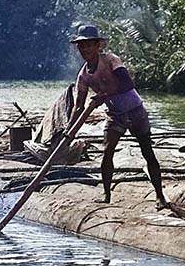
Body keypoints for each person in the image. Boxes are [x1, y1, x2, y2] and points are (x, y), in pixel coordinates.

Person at [67, 25, 168, 208]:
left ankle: (160, 196)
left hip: (135, 110)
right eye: (81, 47)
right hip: (115, 115)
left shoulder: (111, 60)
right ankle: (106, 194)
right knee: (107, 152)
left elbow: (128, 84)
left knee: (147, 152)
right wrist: (69, 131)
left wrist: (105, 95)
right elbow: (79, 105)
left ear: (98, 46)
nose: (84, 50)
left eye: (88, 45)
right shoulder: (83, 76)